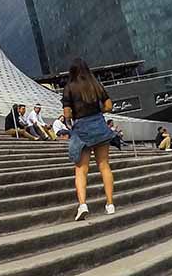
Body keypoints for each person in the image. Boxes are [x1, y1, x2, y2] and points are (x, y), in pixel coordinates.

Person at [63, 58, 116, 221]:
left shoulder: (69, 88)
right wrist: (96, 110)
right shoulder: (96, 84)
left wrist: (75, 114)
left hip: (82, 128)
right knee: (104, 166)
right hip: (99, 125)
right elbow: (109, 106)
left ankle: (83, 204)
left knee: (81, 169)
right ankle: (110, 204)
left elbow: (67, 114)